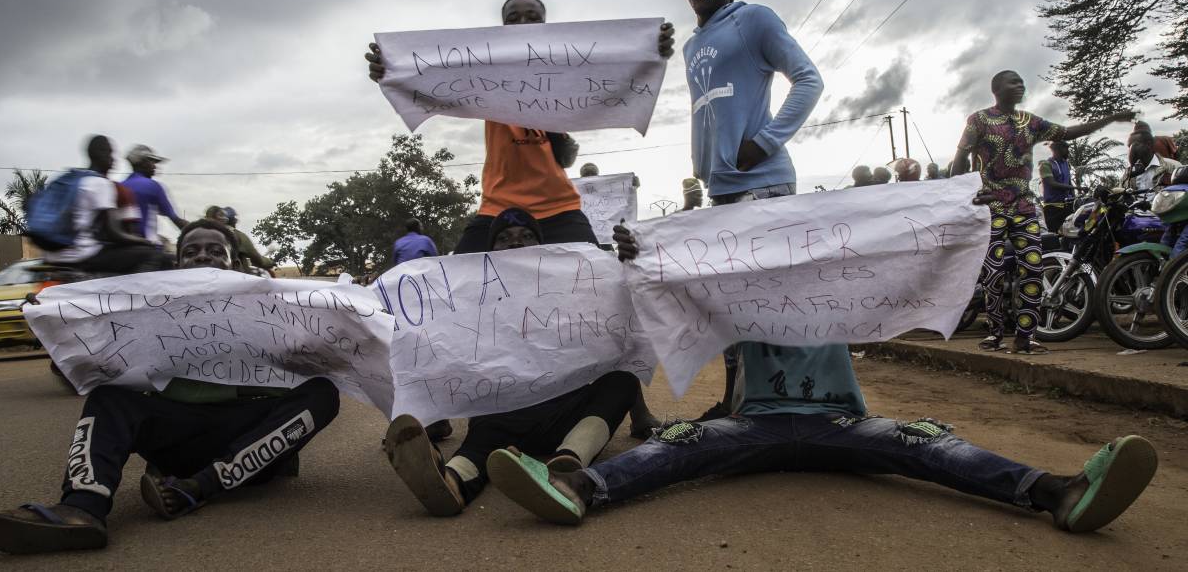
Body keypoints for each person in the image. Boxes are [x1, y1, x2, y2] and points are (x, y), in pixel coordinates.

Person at [484, 221, 1159, 535]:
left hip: (842, 421)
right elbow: (669, 288)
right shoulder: (735, 302)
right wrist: (641, 251)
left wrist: (958, 222)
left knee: (929, 443)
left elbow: (903, 262)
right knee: (679, 446)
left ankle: (1057, 492)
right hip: (755, 425)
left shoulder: (844, 289)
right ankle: (578, 487)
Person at [367, 0, 671, 440]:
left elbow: (567, 149)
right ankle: (432, 410)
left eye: (533, 16)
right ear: (501, 28)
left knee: (607, 295)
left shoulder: (567, 71)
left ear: (546, 25)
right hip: (497, 206)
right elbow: (430, 77)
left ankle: (635, 407)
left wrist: (648, 50)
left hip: (558, 207)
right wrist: (391, 69)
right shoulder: (483, 68)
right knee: (445, 297)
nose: (524, 22)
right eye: (514, 17)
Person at [0, 219, 341, 554]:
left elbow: (323, 357)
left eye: (215, 250)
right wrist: (53, 317)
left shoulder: (275, 307)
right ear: (177, 265)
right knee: (109, 398)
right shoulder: (145, 309)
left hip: (254, 445)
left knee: (323, 394)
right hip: (179, 437)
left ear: (235, 263)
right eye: (191, 251)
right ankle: (82, 508)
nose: (202, 257)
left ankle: (199, 487)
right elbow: (91, 367)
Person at [382, 207, 640, 517]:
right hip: (502, 412)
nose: (516, 243)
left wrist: (628, 263)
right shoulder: (470, 296)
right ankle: (449, 482)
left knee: (624, 381)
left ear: (544, 247)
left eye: (527, 236)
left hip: (566, 414)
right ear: (489, 253)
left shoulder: (576, 285)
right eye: (505, 239)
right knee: (482, 439)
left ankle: (567, 464)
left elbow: (619, 298)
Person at [679, 0, 823, 421]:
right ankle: (735, 401)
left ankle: (780, 403)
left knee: (765, 304)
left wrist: (764, 141)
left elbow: (808, 79)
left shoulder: (754, 19)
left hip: (764, 184)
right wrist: (703, 168)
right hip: (721, 192)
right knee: (729, 305)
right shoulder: (691, 44)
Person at [952, 70, 1135, 354]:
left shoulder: (1030, 122)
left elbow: (1068, 132)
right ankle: (996, 333)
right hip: (992, 206)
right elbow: (961, 157)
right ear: (997, 88)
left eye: (1021, 82)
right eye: (1014, 81)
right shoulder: (979, 120)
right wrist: (965, 193)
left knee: (1033, 269)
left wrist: (1108, 120)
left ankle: (1025, 337)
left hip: (1024, 206)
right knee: (994, 272)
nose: (1020, 85)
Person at [44, 135, 166, 274]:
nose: (113, 159)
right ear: (99, 154)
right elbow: (114, 233)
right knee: (154, 256)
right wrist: (145, 242)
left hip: (52, 257)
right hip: (83, 256)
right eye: (110, 153)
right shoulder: (100, 183)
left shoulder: (66, 180)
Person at [122, 144, 188, 244]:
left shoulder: (120, 185)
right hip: (147, 247)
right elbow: (175, 220)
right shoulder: (153, 186)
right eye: (152, 161)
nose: (155, 166)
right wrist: (199, 228)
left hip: (121, 246)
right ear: (142, 162)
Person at [1039, 141, 1075, 235]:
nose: (1068, 151)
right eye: (1065, 148)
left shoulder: (1066, 164)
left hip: (1067, 206)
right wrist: (1076, 187)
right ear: (1057, 149)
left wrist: (1074, 198)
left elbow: (1069, 182)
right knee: (1055, 236)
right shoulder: (1045, 164)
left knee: (1070, 234)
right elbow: (1051, 183)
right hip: (1053, 208)